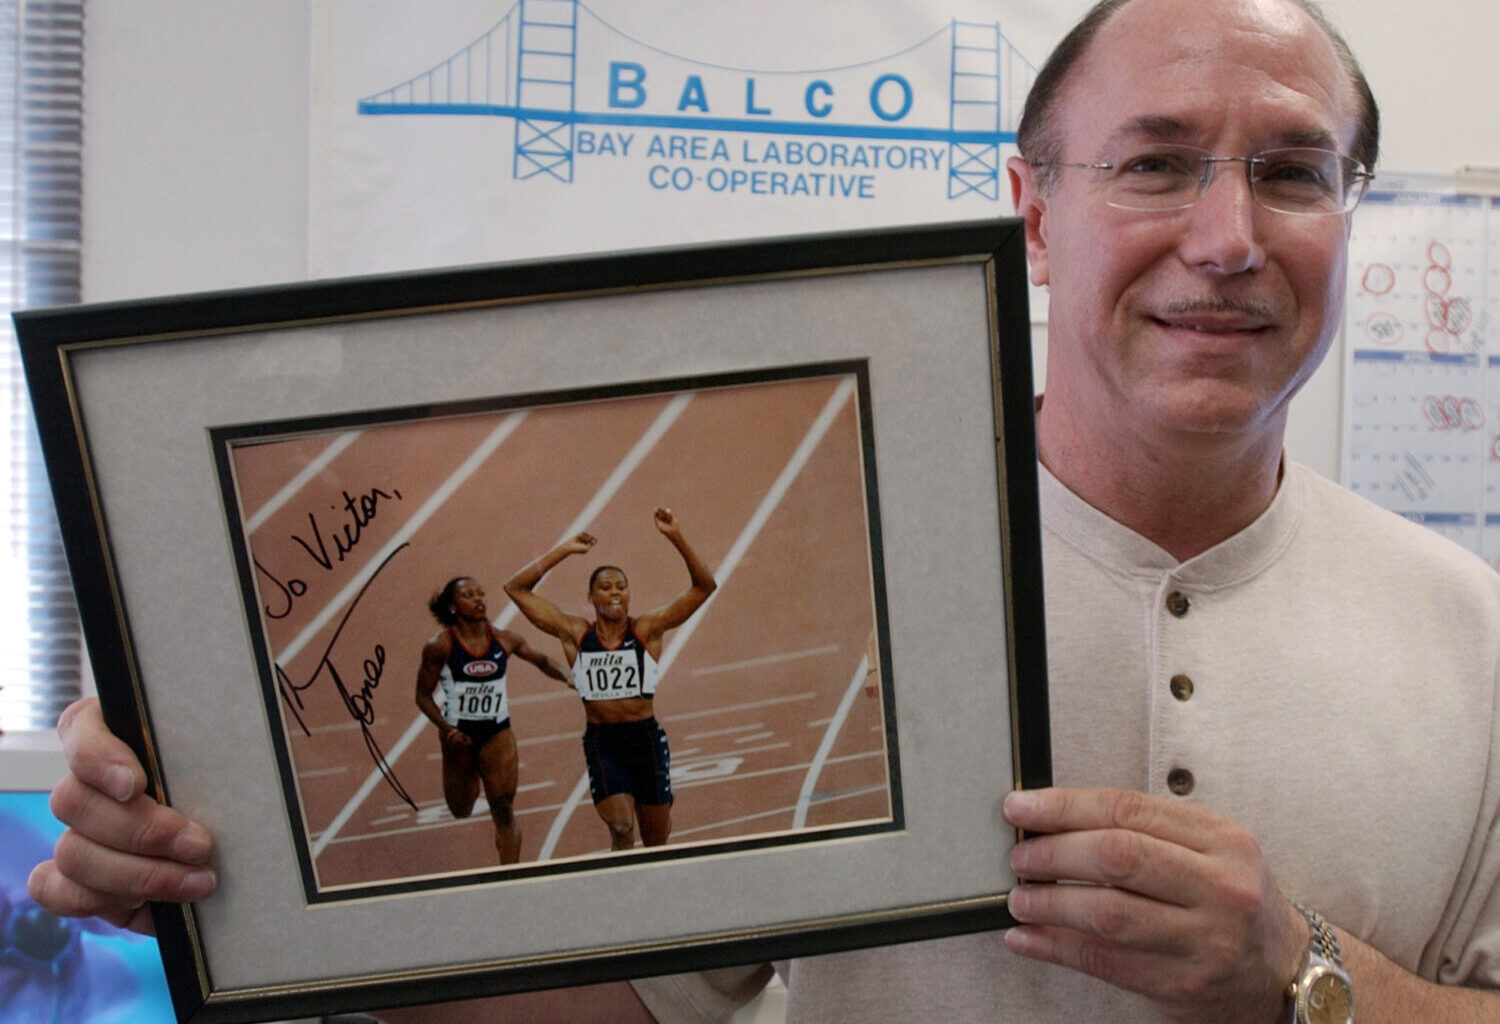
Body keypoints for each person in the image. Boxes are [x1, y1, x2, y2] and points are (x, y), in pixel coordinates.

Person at [24, 1, 1500, 1021]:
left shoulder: (1475, 639)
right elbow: (631, 1010)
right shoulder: (837, 572)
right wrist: (239, 871)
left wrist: (1297, 974)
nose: (1229, 238)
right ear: (1036, 213)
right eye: (1158, 163)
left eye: (1295, 171)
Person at [501, 507, 717, 851]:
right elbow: (516, 589)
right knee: (620, 827)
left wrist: (675, 536)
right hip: (604, 743)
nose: (614, 592)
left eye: (621, 586)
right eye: (605, 587)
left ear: (629, 594)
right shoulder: (575, 634)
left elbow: (705, 586)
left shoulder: (647, 628)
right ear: (591, 598)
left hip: (646, 740)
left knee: (656, 841)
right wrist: (565, 550)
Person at [413, 576, 569, 864]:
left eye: (480, 593)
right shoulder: (440, 646)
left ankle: (512, 875)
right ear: (452, 606)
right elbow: (422, 696)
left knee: (503, 808)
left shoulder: (505, 639)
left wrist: (570, 677)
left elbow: (543, 661)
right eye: (468, 596)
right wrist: (447, 730)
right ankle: (470, 771)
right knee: (461, 809)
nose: (478, 599)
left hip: (497, 732)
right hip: (458, 737)